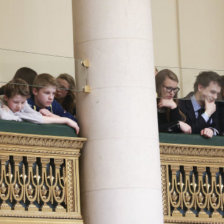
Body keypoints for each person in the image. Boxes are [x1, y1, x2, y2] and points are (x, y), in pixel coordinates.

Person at [0, 78, 79, 134]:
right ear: (6, 98)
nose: (19, 107)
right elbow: (5, 116)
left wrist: (65, 119)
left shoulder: (25, 105)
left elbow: (37, 116)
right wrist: (24, 117)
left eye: (23, 102)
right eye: (15, 102)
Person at [179, 71, 221, 138]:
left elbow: (219, 129)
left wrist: (212, 130)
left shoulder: (215, 105)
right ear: (200, 87)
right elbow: (189, 132)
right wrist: (207, 114)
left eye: (217, 94)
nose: (215, 97)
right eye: (212, 92)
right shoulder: (181, 104)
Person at [156, 69, 192, 134]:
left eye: (175, 89)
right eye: (169, 88)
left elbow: (180, 132)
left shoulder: (179, 104)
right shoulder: (149, 105)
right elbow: (153, 128)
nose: (172, 93)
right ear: (158, 87)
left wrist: (174, 107)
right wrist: (177, 124)